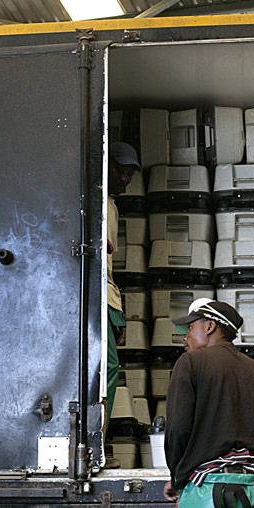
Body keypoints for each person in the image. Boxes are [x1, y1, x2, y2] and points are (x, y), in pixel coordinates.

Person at [162, 298, 254, 508]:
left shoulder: (190, 363)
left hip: (209, 489)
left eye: (190, 328)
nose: (185, 337)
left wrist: (178, 476)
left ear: (210, 326)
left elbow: (178, 428)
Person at [104, 142, 141, 466]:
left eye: (129, 174)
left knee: (108, 368)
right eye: (122, 170)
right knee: (107, 369)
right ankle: (95, 442)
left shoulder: (112, 205)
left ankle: (96, 441)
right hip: (98, 298)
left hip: (108, 297)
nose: (125, 179)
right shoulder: (94, 199)